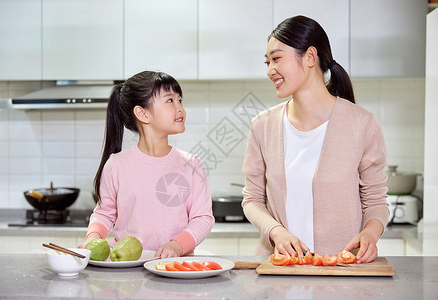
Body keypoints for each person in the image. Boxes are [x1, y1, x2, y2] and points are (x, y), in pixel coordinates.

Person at [241, 15, 389, 263]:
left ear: (310, 57)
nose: (269, 71)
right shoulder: (262, 126)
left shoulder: (362, 124)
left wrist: (370, 234)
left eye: (276, 59)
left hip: (341, 270)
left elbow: (376, 201)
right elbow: (252, 199)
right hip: (279, 270)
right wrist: (276, 232)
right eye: (267, 62)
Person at [78, 71, 214, 258]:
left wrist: (176, 246)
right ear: (142, 113)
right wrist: (92, 238)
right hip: (125, 267)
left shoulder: (191, 164)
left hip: (174, 267)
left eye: (180, 100)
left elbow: (202, 218)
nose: (180, 108)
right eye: (170, 101)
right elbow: (104, 213)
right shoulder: (117, 165)